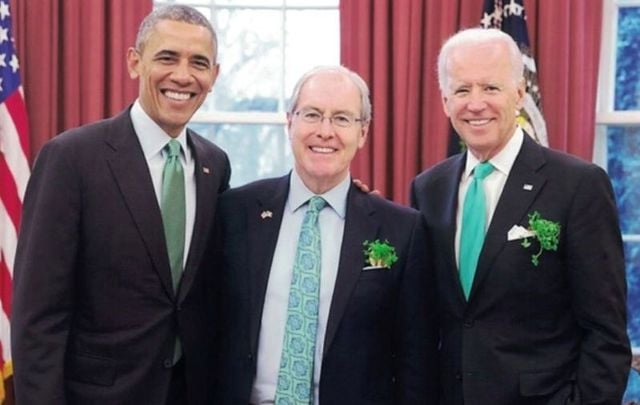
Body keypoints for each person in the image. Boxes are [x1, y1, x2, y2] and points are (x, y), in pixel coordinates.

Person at [12, 5, 230, 404]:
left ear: (213, 76)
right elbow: (37, 319)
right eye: (167, 57)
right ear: (134, 62)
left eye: (198, 62)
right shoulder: (71, 160)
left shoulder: (214, 166)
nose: (183, 75)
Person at [410, 27, 631, 404]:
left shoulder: (578, 186)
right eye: (462, 90)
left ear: (519, 94)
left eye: (490, 88)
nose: (475, 104)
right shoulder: (428, 189)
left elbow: (606, 334)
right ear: (445, 100)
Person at [214, 66, 438, 404]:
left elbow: (415, 361)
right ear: (290, 122)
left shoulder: (402, 231)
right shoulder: (235, 212)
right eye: (313, 115)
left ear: (363, 133)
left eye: (342, 119)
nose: (325, 131)